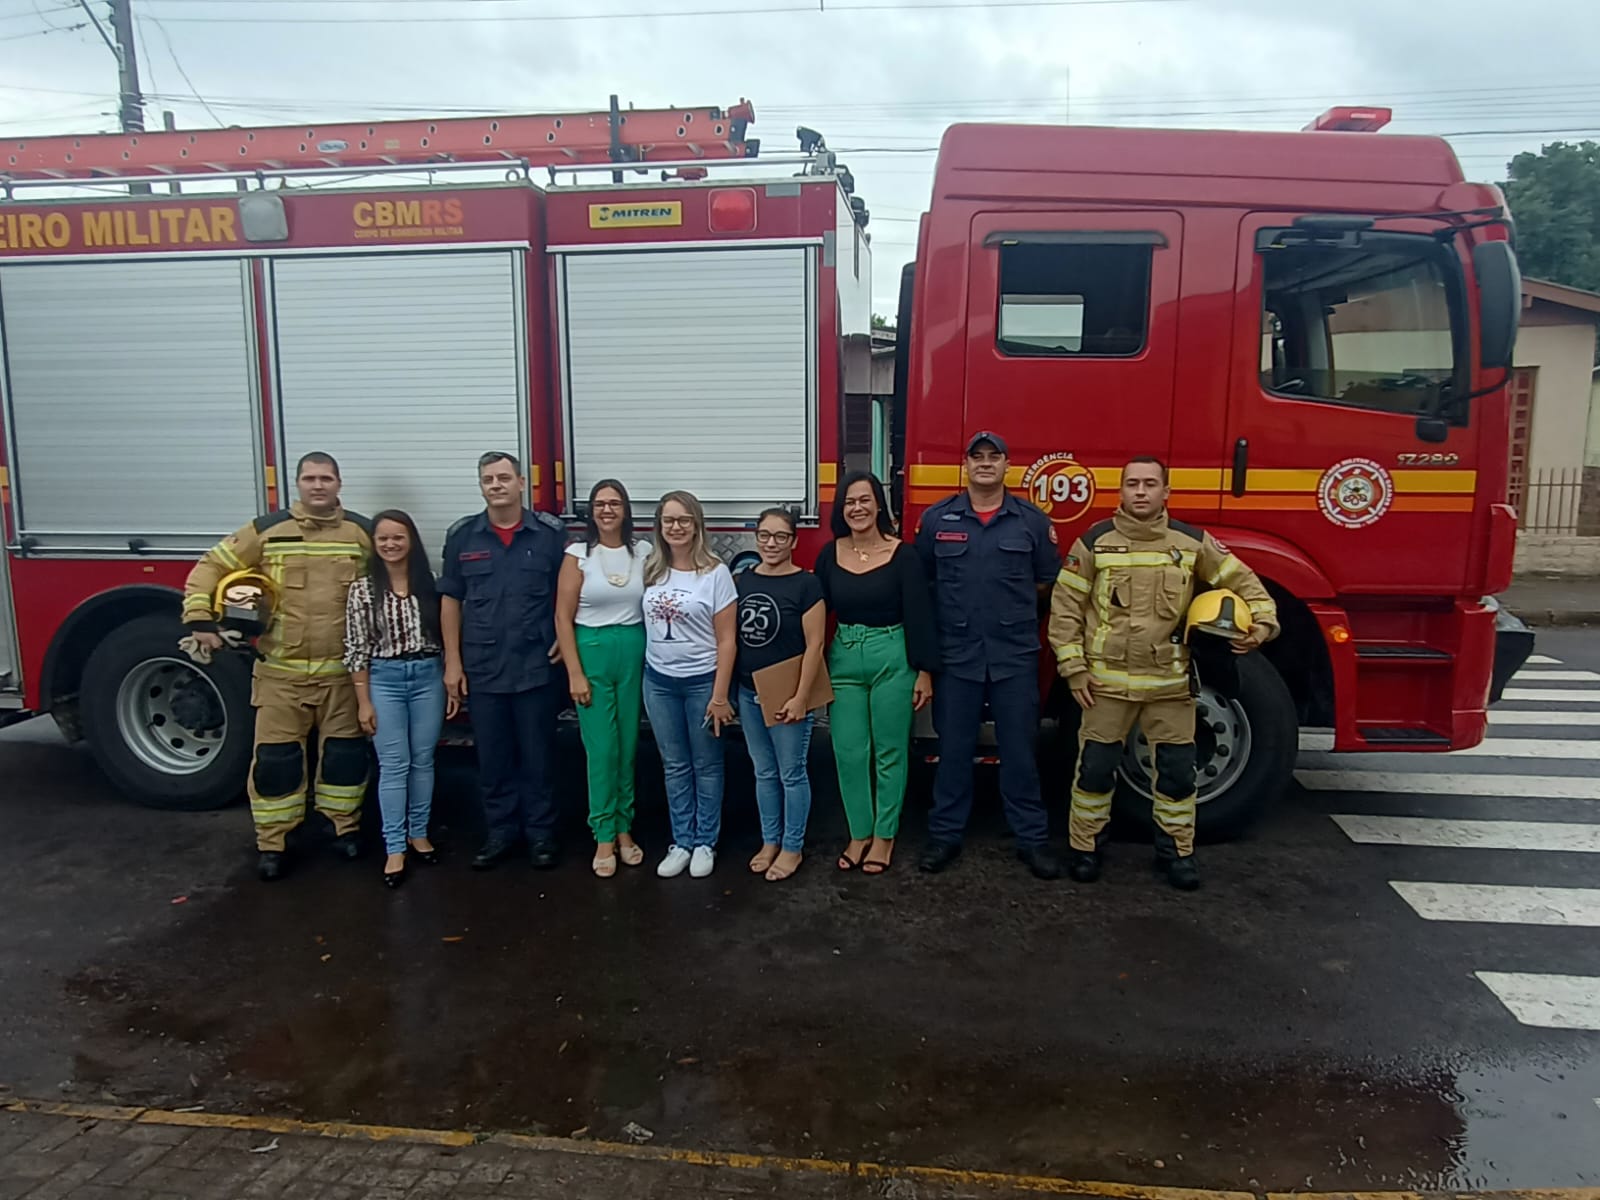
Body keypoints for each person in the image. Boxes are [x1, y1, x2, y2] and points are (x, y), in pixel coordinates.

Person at [1047, 456, 1279, 890]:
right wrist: (1074, 670)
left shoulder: (1192, 544)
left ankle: (1176, 854)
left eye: (1150, 484)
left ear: (1165, 492)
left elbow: (1246, 583)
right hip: (1105, 688)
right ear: (1120, 491)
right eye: (1132, 483)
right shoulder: (1095, 542)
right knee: (1094, 772)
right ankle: (1086, 849)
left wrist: (1262, 624)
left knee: (1176, 776)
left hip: (1169, 690)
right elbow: (1065, 610)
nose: (1140, 491)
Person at [181, 452, 373, 882]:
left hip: (343, 677)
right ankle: (274, 842)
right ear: (298, 484)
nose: (318, 485)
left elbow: (395, 575)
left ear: (339, 483)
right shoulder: (267, 531)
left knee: (345, 760)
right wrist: (199, 619)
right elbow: (211, 567)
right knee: (276, 761)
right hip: (280, 676)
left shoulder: (361, 533)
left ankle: (342, 829)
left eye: (326, 478)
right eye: (310, 478)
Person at [914, 432, 1062, 880]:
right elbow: (925, 584)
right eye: (976, 457)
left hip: (1014, 655)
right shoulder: (938, 519)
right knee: (953, 750)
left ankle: (1031, 840)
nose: (984, 464)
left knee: (1020, 752)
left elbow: (1046, 584)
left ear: (1006, 466)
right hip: (957, 656)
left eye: (992, 457)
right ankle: (945, 836)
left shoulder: (1031, 522)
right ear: (965, 466)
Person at [439, 452, 567, 872]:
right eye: (487, 479)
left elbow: (570, 594)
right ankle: (500, 833)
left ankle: (541, 836)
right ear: (480, 486)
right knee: (492, 759)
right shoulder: (463, 536)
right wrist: (453, 662)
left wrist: (566, 642)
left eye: (503, 478)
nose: (496, 485)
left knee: (538, 757)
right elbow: (451, 601)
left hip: (536, 666)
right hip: (484, 667)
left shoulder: (550, 535)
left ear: (520, 483)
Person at [813, 472, 937, 874]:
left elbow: (920, 614)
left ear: (879, 504)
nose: (858, 508)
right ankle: (858, 833)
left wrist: (924, 671)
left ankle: (884, 837)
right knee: (849, 752)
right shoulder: (829, 555)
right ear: (841, 509)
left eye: (865, 500)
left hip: (893, 656)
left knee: (889, 751)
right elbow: (814, 615)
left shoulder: (904, 555)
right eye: (849, 501)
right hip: (845, 658)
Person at [345, 509, 455, 889]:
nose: (391, 545)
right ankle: (394, 846)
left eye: (398, 537)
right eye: (383, 539)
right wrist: (364, 701)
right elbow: (355, 649)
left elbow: (444, 638)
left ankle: (418, 833)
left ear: (411, 541)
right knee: (394, 763)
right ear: (374, 546)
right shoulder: (362, 589)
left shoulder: (431, 584)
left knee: (424, 760)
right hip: (384, 680)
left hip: (428, 677)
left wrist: (449, 679)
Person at [554, 479, 650, 879]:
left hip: (632, 646)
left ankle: (625, 829)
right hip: (591, 649)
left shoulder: (642, 552)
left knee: (628, 745)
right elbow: (562, 615)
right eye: (599, 504)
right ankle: (604, 835)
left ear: (625, 510)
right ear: (590, 511)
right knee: (602, 750)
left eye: (614, 503)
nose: (606, 510)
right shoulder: (578, 554)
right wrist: (574, 671)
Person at [641, 491, 737, 879]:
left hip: (702, 683)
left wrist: (719, 695)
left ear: (697, 525)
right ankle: (680, 841)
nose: (676, 527)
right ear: (659, 527)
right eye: (668, 521)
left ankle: (705, 843)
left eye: (683, 520)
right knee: (675, 766)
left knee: (707, 765)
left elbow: (727, 640)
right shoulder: (650, 569)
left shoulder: (715, 573)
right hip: (659, 682)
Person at [735, 507, 826, 883]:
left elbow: (815, 644)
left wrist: (801, 697)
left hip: (788, 697)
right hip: (747, 692)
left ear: (794, 541)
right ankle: (770, 841)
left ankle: (792, 847)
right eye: (764, 535)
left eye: (780, 536)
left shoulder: (807, 586)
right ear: (756, 538)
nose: (771, 543)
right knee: (764, 773)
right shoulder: (741, 582)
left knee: (791, 773)